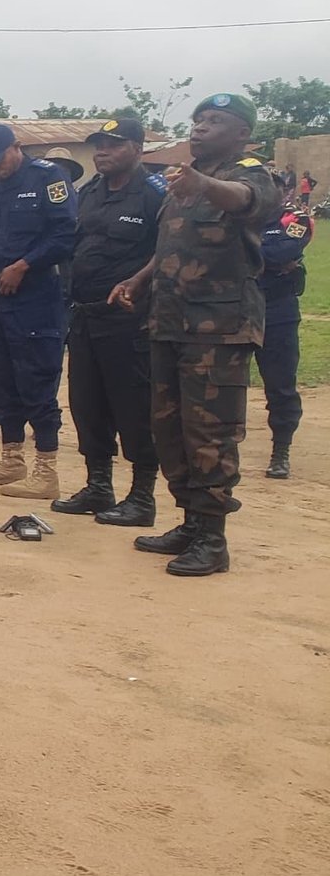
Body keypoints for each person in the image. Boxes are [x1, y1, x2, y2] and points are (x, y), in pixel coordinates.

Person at [111, 93, 286, 574]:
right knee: (169, 428)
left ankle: (213, 538)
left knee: (210, 430)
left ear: (242, 133)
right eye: (198, 120)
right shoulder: (181, 183)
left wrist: (203, 183)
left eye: (215, 121)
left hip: (220, 329)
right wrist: (139, 279)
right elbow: (172, 243)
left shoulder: (251, 173)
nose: (200, 128)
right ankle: (190, 522)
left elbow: (248, 203)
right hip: (169, 322)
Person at [52, 115, 167, 525]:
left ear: (137, 148)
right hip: (84, 317)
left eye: (114, 144)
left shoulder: (155, 194)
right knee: (88, 405)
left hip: (128, 321)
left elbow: (169, 246)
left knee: (133, 407)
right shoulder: (89, 193)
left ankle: (142, 497)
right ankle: (99, 487)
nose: (102, 152)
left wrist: (138, 282)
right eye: (99, 144)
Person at [0, 124, 77, 499]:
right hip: (0, 300)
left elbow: (65, 236)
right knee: (3, 379)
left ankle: (46, 470)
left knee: (37, 382)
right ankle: (11, 460)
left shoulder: (48, 178)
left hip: (37, 300)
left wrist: (24, 265)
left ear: (18, 147)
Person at [255, 181, 313, 479]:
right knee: (222, 382)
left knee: (280, 385)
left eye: (273, 188)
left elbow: (279, 254)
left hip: (278, 312)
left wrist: (247, 252)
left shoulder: (296, 219)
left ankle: (281, 451)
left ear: (284, 193)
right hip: (236, 309)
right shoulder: (239, 215)